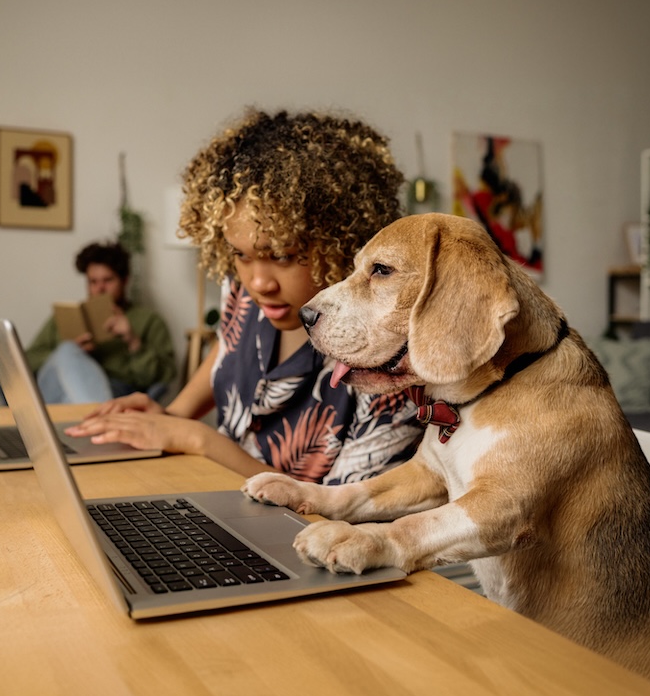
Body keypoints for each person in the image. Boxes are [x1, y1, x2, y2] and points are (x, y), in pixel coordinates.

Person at [66, 108, 424, 485]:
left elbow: (342, 513)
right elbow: (228, 349)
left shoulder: (390, 362)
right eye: (241, 254)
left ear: (341, 239)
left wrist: (197, 439)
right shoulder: (244, 293)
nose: (258, 281)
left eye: (282, 256)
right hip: (214, 498)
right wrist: (171, 415)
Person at [25, 241, 175, 403]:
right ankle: (98, 421)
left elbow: (163, 378)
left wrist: (133, 341)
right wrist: (72, 354)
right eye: (93, 282)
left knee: (69, 401)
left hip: (115, 392)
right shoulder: (65, 316)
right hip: (55, 388)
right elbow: (28, 361)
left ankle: (89, 420)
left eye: (108, 280)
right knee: (67, 349)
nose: (99, 289)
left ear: (124, 281)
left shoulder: (148, 320)